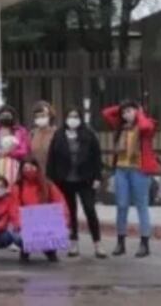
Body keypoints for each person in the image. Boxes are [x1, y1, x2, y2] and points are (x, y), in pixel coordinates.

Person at [47, 107, 106, 259]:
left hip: (85, 179)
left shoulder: (89, 134)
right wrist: (51, 179)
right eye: (70, 116)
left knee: (89, 209)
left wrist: (98, 178)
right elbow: (51, 158)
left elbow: (97, 157)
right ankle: (74, 242)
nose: (72, 119)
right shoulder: (59, 135)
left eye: (75, 116)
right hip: (65, 180)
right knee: (70, 212)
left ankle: (97, 243)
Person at [102, 100, 157, 258]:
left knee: (141, 206)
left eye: (130, 111)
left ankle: (144, 243)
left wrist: (139, 113)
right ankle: (120, 242)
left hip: (139, 170)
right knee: (121, 205)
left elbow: (146, 126)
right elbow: (106, 113)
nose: (127, 115)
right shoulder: (121, 126)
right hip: (121, 170)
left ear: (137, 112)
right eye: (124, 112)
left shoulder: (146, 125)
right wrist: (122, 107)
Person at [14, 158, 68, 263]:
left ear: (37, 167)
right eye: (25, 168)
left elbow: (60, 202)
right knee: (16, 237)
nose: (29, 170)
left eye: (32, 167)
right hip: (26, 225)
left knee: (54, 233)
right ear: (21, 170)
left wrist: (63, 221)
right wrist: (18, 223)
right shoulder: (18, 186)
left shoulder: (48, 185)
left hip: (46, 224)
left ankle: (50, 250)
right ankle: (26, 249)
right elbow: (13, 207)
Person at [0, 105, 30, 184]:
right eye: (3, 115)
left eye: (8, 115)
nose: (5, 117)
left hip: (14, 170)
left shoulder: (21, 132)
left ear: (13, 117)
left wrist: (9, 153)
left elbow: (24, 151)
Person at [29, 101, 58, 171]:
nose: (40, 118)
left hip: (53, 175)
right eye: (37, 116)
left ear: (50, 116)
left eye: (43, 115)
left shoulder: (57, 133)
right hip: (36, 175)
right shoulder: (32, 134)